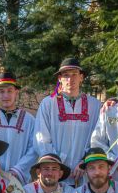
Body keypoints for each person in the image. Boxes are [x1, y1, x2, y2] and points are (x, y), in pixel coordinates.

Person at [34, 58, 101, 186]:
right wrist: (58, 165)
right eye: (66, 75)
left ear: (81, 77)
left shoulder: (95, 105)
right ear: (60, 78)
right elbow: (41, 138)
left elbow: (98, 138)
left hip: (84, 172)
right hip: (56, 173)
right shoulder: (48, 103)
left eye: (75, 74)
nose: (71, 79)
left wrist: (84, 162)